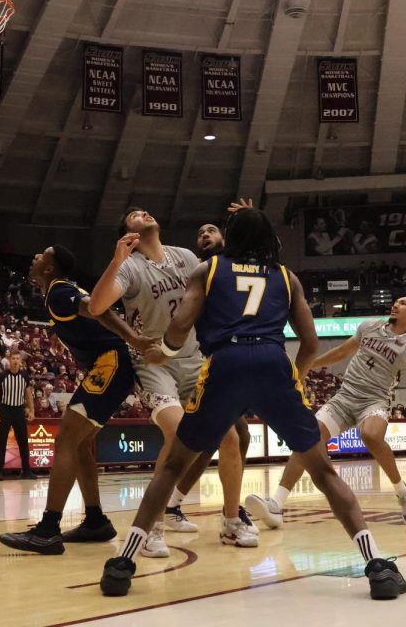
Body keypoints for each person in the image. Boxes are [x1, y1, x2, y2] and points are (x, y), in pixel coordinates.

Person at [99, 205, 405, 600]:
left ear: (230, 237)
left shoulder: (207, 268)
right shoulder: (286, 276)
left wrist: (167, 352)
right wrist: (294, 378)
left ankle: (124, 563)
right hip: (272, 364)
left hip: (224, 363)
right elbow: (310, 343)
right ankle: (376, 564)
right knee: (323, 471)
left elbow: (179, 326)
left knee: (174, 464)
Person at [90, 207, 252, 555]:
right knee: (178, 433)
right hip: (154, 365)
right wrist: (116, 262)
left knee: (230, 438)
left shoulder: (186, 257)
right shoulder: (129, 266)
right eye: (134, 214)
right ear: (128, 233)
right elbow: (97, 306)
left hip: (193, 360)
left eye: (144, 211)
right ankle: (153, 527)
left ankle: (231, 523)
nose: (143, 213)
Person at [246, 295, 406, 528]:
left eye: (404, 303)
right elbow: (340, 352)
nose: (396, 305)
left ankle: (403, 492)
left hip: (374, 401)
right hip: (344, 397)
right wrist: (307, 366)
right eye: (396, 301)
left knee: (370, 435)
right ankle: (276, 505)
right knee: (308, 440)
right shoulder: (369, 326)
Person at [0, 245, 142, 555]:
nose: (35, 256)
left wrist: (132, 338)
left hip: (111, 363)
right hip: (111, 364)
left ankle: (48, 530)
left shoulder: (59, 291)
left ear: (50, 268)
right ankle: (95, 520)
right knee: (78, 445)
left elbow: (97, 309)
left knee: (65, 440)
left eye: (42, 255)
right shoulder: (62, 290)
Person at [0, 351, 35, 479]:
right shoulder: (1, 376)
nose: (15, 360)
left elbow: (28, 394)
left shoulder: (25, 375)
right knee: (1, 441)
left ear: (20, 361)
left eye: (17, 358)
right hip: (5, 410)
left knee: (23, 441)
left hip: (19, 410)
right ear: (9, 360)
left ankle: (26, 470)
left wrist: (32, 410)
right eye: (13, 358)